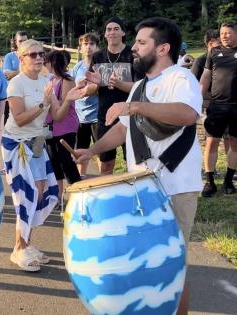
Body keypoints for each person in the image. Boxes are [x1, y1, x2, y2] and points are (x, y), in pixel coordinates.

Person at [74, 17, 202, 315]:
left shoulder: (180, 79)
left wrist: (133, 106)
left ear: (163, 48)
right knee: (148, 265)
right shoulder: (140, 86)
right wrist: (91, 150)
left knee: (174, 266)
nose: (134, 47)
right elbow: (122, 129)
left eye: (142, 42)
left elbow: (186, 113)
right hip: (141, 186)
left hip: (175, 187)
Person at [1, 39, 81, 272]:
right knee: (26, 197)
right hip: (16, 144)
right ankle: (18, 248)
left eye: (41, 54)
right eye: (32, 54)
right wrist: (42, 104)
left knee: (44, 194)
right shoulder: (16, 84)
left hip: (36, 143)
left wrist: (68, 98)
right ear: (21, 58)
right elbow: (18, 118)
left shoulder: (48, 80)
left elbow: (56, 115)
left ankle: (26, 243)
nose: (38, 58)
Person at [200, 22, 237, 197]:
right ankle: (210, 182)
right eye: (222, 33)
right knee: (211, 142)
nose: (224, 36)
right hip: (216, 106)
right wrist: (198, 97)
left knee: (236, 143)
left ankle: (229, 180)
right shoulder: (214, 52)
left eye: (228, 33)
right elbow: (206, 76)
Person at [83, 16, 140, 175]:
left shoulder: (132, 54)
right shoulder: (98, 57)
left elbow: (140, 87)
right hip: (105, 116)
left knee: (133, 162)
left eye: (116, 29)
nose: (112, 32)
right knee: (106, 164)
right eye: (109, 29)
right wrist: (94, 85)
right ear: (105, 34)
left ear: (123, 32)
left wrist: (116, 83)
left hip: (130, 115)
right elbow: (93, 88)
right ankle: (108, 196)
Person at [44, 50, 81, 200]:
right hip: (50, 127)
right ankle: (58, 196)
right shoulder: (49, 80)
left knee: (66, 162)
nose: (44, 64)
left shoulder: (67, 80)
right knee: (54, 162)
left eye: (47, 61)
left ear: (53, 63)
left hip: (66, 127)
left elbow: (64, 101)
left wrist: (48, 100)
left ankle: (77, 194)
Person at [72, 33, 100, 177]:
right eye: (85, 44)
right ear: (80, 48)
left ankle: (103, 181)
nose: (88, 47)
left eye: (92, 44)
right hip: (80, 116)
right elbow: (71, 88)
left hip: (96, 116)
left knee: (101, 151)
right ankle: (81, 179)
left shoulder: (100, 67)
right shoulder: (77, 68)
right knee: (81, 151)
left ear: (97, 47)